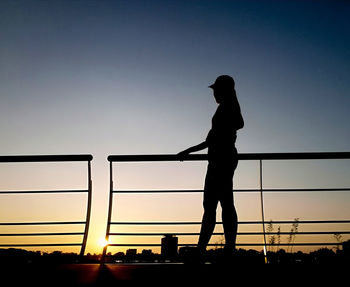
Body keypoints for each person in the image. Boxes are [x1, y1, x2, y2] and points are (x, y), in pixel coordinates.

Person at [178, 75, 244, 258]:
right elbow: (234, 127)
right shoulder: (228, 107)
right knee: (222, 205)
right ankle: (225, 248)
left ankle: (206, 249)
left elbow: (212, 140)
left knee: (214, 206)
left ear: (223, 90)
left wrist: (188, 151)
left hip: (220, 161)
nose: (213, 93)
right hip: (222, 160)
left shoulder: (226, 108)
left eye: (216, 89)